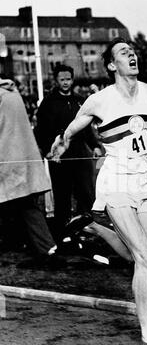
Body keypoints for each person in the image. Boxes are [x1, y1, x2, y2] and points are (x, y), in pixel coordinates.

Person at [49, 37, 147, 345]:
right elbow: (73, 128)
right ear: (111, 65)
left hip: (143, 182)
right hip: (116, 180)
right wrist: (61, 143)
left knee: (143, 257)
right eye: (123, 53)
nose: (131, 55)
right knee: (144, 258)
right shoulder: (99, 100)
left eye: (133, 51)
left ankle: (93, 225)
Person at [0, 78, 63, 267]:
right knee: (26, 203)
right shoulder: (12, 93)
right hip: (22, 156)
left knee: (21, 203)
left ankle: (44, 248)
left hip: (7, 158)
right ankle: (47, 248)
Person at [35, 64, 99, 241]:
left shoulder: (79, 100)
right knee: (62, 195)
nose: (65, 83)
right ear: (56, 80)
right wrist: (49, 151)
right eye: (62, 79)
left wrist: (94, 145)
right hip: (59, 158)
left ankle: (86, 230)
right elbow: (41, 131)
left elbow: (86, 128)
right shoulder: (48, 103)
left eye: (68, 79)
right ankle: (63, 234)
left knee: (85, 193)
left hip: (80, 155)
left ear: (73, 79)